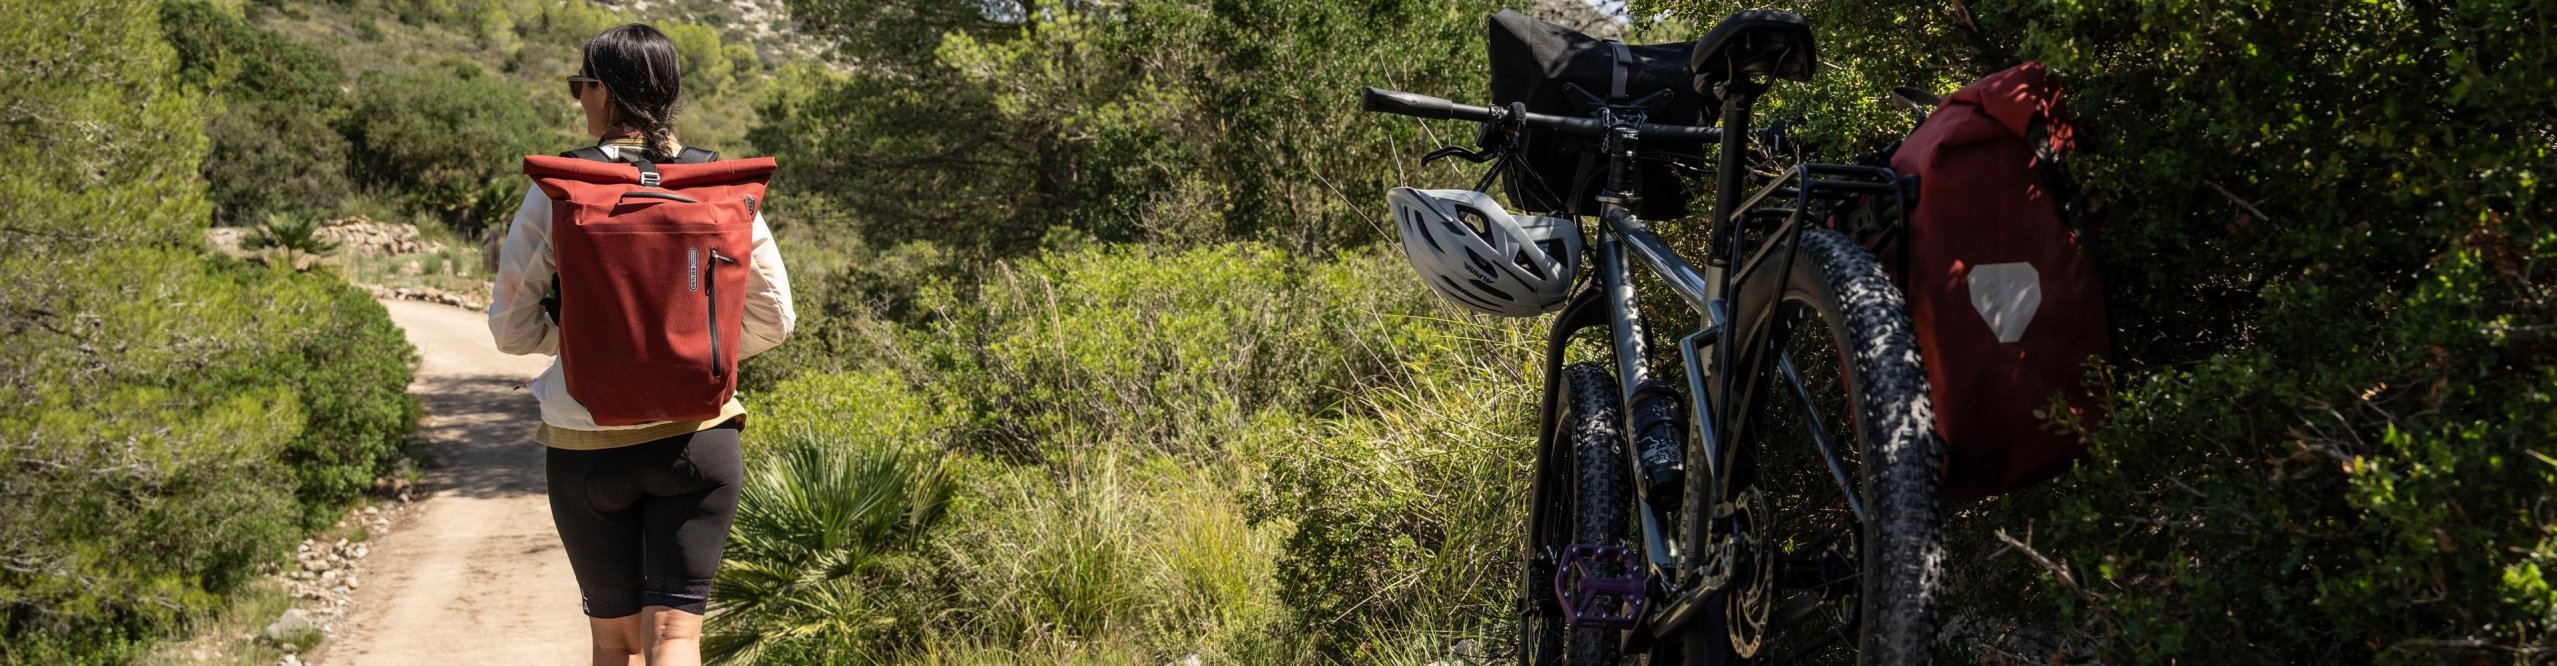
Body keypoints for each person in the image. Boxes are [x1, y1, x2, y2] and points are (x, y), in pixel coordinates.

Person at [487, 23, 794, 666]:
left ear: (601, 93)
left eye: (580, 86)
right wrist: (691, 350)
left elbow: (510, 329)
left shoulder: (560, 190)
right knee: (676, 638)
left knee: (616, 641)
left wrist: (587, 344)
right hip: (699, 441)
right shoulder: (718, 185)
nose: (579, 98)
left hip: (586, 442)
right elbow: (774, 320)